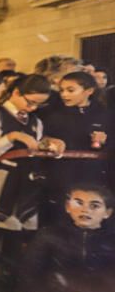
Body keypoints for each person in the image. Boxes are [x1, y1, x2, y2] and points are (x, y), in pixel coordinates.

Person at [0, 74, 66, 292]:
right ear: (15, 93)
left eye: (38, 104)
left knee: (15, 240)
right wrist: (12, 136)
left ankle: (9, 287)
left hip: (27, 183)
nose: (32, 107)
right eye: (29, 101)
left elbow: (37, 143)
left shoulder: (35, 121)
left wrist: (50, 144)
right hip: (1, 180)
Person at [41, 71, 111, 223]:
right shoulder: (52, 114)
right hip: (60, 177)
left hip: (93, 177)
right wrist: (49, 141)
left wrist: (105, 140)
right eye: (62, 90)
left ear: (89, 91)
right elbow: (40, 138)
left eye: (70, 90)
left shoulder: (105, 115)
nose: (64, 94)